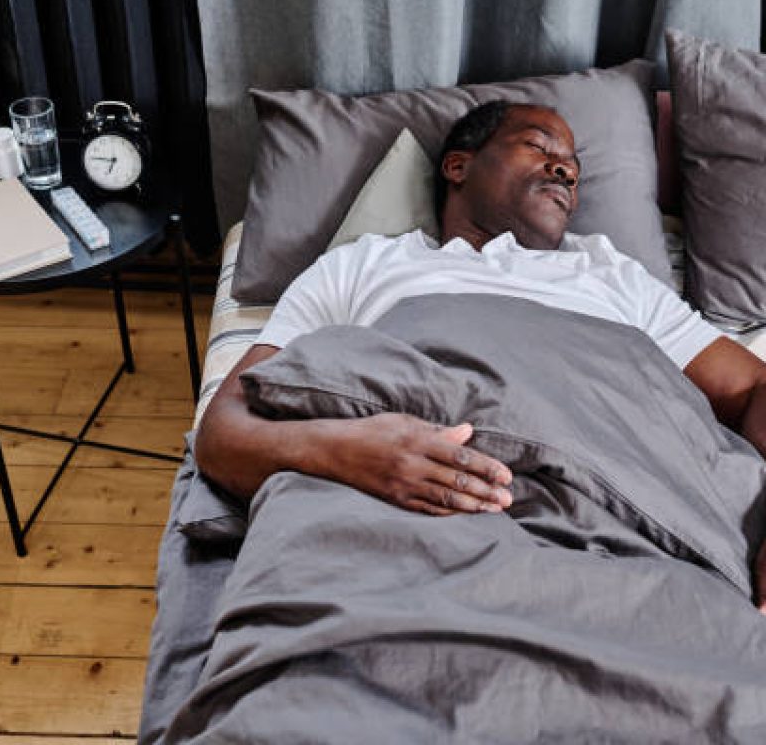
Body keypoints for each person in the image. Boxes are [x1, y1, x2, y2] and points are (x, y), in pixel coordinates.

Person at [196, 100, 766, 610]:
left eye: (573, 167)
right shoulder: (361, 266)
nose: (565, 171)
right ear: (458, 167)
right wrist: (346, 452)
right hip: (411, 520)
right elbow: (223, 431)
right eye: (539, 147)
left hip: (628, 521)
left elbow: (754, 389)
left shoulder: (612, 275)